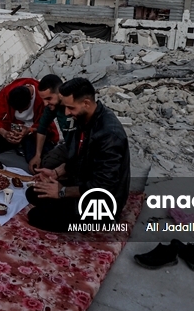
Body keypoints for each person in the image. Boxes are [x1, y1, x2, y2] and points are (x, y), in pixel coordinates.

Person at [27, 78, 131, 233]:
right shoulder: (84, 118)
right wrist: (56, 173)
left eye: (70, 108)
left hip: (101, 205)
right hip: (82, 182)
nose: (67, 112)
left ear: (86, 103)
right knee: (33, 193)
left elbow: (103, 187)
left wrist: (62, 192)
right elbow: (77, 157)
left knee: (35, 216)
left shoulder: (109, 134)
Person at [0, 76, 46, 161]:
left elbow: (45, 125)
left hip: (33, 132)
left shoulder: (43, 97)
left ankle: (24, 145)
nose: (20, 113)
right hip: (12, 129)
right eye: (17, 110)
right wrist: (4, 133)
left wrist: (29, 130)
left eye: (22, 110)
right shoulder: (6, 93)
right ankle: (19, 144)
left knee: (33, 158)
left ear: (31, 98)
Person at [28, 74, 74, 174]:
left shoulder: (75, 105)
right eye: (43, 100)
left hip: (84, 147)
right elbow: (42, 127)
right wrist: (37, 155)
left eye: (48, 98)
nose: (45, 103)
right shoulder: (52, 107)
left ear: (60, 93)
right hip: (69, 146)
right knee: (45, 164)